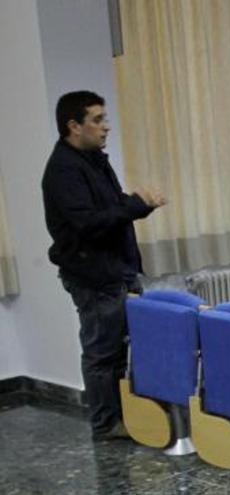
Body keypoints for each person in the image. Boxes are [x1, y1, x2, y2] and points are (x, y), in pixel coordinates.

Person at [42, 91, 167, 440]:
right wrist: (135, 205)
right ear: (73, 126)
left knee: (126, 347)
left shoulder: (94, 159)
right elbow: (89, 224)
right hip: (93, 276)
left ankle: (129, 414)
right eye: (97, 120)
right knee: (102, 352)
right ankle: (106, 422)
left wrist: (138, 205)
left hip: (118, 270)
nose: (105, 127)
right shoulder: (63, 170)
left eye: (104, 119)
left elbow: (112, 210)